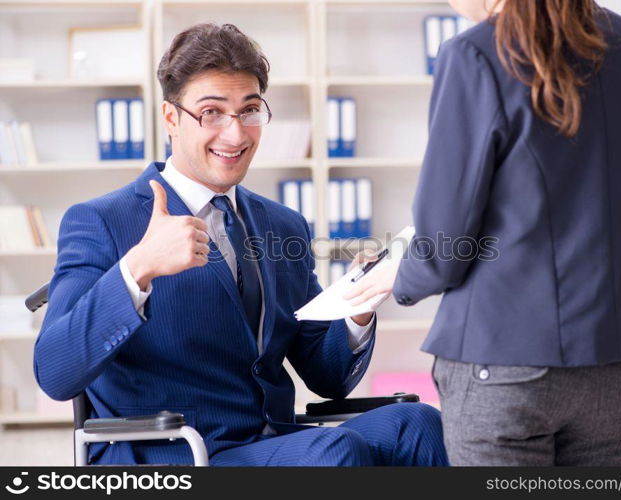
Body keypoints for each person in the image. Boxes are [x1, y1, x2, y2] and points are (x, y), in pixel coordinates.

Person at [33, 23, 447, 466]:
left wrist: (359, 307)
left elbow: (326, 377)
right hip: (173, 455)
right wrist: (138, 269)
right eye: (211, 112)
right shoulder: (102, 221)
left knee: (417, 422)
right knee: (333, 453)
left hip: (272, 441)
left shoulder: (282, 225)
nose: (236, 134)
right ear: (171, 118)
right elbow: (56, 372)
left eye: (249, 111)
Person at [347, 0, 621, 465]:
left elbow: (443, 248)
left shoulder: (476, 54)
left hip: (503, 367)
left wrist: (400, 273)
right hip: (620, 363)